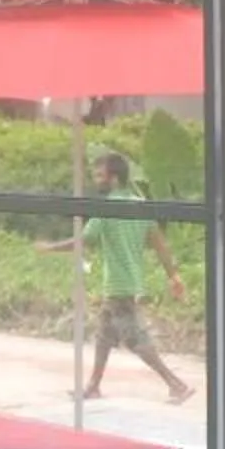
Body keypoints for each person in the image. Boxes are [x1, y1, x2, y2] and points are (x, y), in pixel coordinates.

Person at [42, 150, 195, 404]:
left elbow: (84, 241)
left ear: (113, 179)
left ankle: (176, 384)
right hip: (129, 282)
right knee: (104, 335)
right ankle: (93, 386)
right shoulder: (141, 206)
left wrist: (50, 248)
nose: (96, 178)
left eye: (100, 174)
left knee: (136, 340)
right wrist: (174, 276)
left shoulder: (106, 209)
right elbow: (160, 244)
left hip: (119, 285)